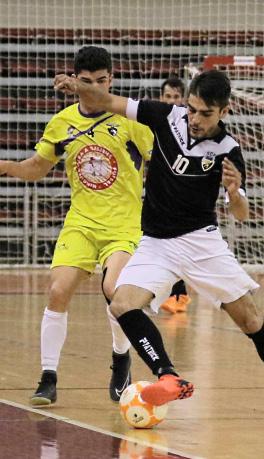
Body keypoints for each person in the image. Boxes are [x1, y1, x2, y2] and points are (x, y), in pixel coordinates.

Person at [54, 69, 264, 407]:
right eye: (192, 108)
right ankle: (167, 375)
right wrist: (77, 86)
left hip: (201, 242)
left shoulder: (228, 149)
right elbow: (108, 100)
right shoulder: (165, 115)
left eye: (205, 113)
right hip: (156, 243)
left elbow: (241, 213)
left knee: (251, 319)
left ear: (224, 112)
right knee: (121, 304)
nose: (195, 119)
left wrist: (235, 192)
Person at [0, 46, 153, 406]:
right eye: (88, 82)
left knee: (115, 289)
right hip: (81, 224)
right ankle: (48, 377)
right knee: (57, 291)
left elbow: (158, 161)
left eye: (102, 82)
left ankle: (121, 357)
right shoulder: (63, 122)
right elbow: (37, 168)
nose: (96, 89)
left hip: (124, 226)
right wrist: (6, 165)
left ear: (111, 80)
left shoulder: (130, 121)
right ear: (76, 81)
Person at [159, 76, 191, 314]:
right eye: (167, 97)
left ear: (184, 99)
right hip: (162, 193)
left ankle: (179, 294)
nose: (171, 101)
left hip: (186, 195)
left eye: (176, 97)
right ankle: (175, 293)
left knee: (179, 243)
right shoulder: (157, 122)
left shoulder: (191, 125)